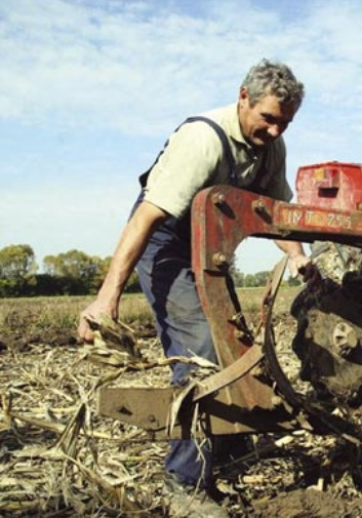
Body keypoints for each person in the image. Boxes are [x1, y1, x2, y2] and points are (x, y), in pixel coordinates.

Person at [77, 59, 311, 516]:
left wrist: (299, 257)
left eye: (284, 123)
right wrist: (107, 297)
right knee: (201, 352)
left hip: (210, 247)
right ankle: (183, 484)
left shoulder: (272, 147)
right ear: (243, 97)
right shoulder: (203, 140)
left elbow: (274, 213)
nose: (275, 130)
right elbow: (145, 218)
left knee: (237, 348)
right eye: (268, 118)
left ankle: (227, 446)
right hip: (164, 242)